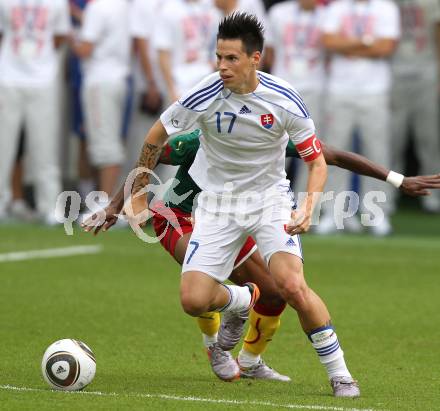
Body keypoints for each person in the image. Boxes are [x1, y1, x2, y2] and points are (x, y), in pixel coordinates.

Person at [119, 12, 362, 397]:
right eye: (218, 57)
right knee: (193, 300)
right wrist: (135, 194)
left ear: (255, 59)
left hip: (269, 202)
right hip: (217, 206)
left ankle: (340, 374)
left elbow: (316, 160)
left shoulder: (284, 98)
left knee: (292, 286)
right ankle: (242, 299)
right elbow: (157, 133)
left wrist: (308, 206)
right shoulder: (206, 91)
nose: (222, 67)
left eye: (231, 58)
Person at [84, 129, 440, 383]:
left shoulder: (270, 136)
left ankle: (251, 359)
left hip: (229, 219)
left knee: (273, 292)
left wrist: (397, 179)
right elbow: (147, 158)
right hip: (178, 216)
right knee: (200, 290)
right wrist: (116, 205)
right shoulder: (198, 140)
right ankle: (217, 341)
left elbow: (331, 155)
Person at [319, 0, 400, 236]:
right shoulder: (336, 7)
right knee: (333, 154)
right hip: (339, 89)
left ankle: (377, 213)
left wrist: (346, 45)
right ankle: (335, 213)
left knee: (377, 153)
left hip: (375, 90)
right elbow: (327, 41)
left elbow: (385, 47)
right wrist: (366, 41)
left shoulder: (387, 8)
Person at [0, 0, 70, 225]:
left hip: (43, 79)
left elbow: (59, 38)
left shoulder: (58, 3)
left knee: (45, 146)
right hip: (8, 78)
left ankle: (49, 206)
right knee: (3, 145)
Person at [72, 0, 131, 204]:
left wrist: (70, 37)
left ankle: (105, 206)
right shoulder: (121, 6)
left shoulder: (97, 8)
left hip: (100, 81)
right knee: (110, 141)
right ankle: (108, 203)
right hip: (117, 79)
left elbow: (85, 49)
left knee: (105, 146)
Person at [390, 0, 440, 213]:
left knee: (428, 138)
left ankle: (433, 194)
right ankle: (388, 194)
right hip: (394, 72)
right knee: (393, 138)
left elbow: (437, 33)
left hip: (426, 69)